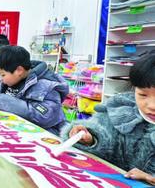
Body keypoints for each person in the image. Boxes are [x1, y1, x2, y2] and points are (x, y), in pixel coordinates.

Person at [61, 53, 155, 185]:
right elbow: (103, 139)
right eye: (143, 94)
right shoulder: (119, 110)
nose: (151, 105)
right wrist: (90, 139)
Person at [0, 45, 68, 135]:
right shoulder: (12, 80)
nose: (0, 79)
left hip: (42, 137)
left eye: (3, 75)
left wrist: (1, 101)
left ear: (19, 70)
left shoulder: (46, 86)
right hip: (14, 131)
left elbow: (44, 116)